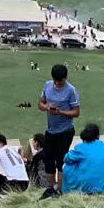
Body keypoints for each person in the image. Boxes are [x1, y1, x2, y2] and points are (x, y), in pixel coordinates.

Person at [38, 64, 80, 196]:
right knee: (48, 159)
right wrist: (46, 107)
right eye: (55, 80)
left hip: (65, 130)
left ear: (65, 78)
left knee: (61, 160)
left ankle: (61, 188)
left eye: (60, 80)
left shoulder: (71, 91)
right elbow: (40, 103)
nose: (57, 83)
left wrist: (60, 112)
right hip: (51, 130)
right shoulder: (47, 85)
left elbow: (76, 112)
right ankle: (50, 188)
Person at [61, 124, 104, 195]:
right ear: (97, 135)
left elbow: (66, 159)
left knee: (68, 167)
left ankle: (67, 190)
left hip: (86, 186)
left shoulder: (80, 148)